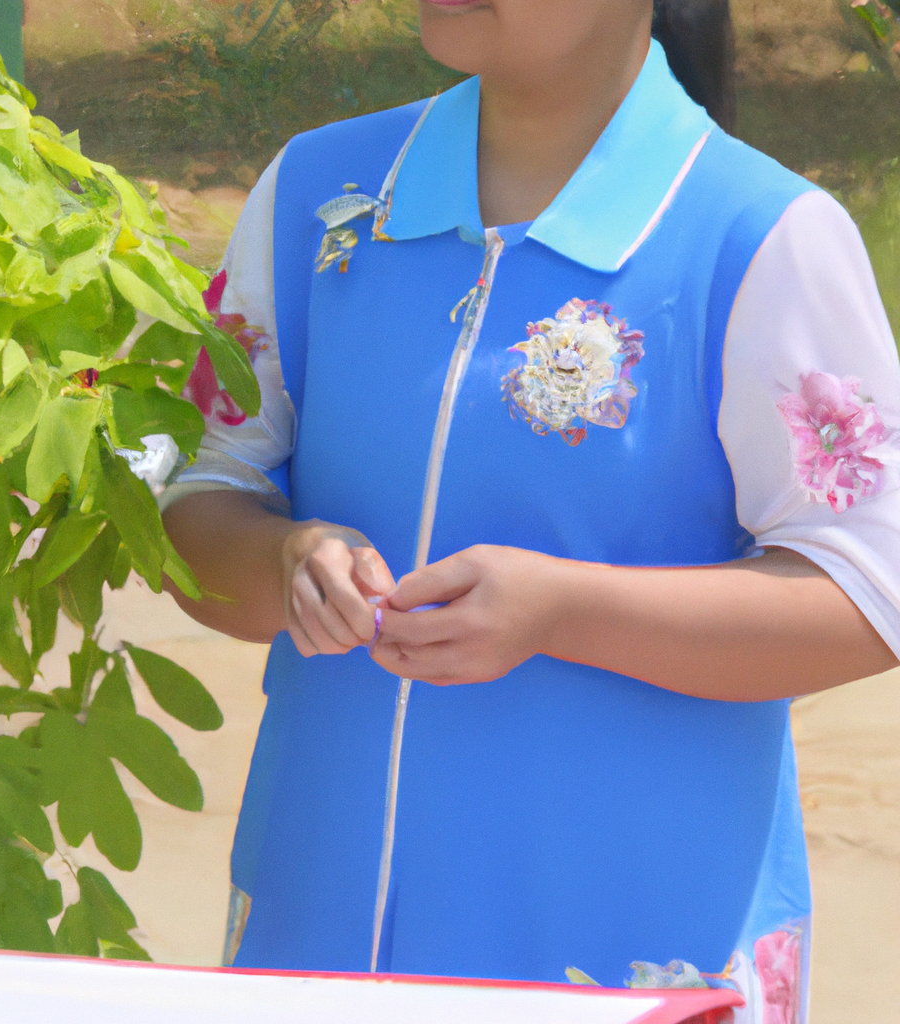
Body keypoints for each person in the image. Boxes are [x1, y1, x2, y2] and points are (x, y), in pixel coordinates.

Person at [157, 1, 900, 1018]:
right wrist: (285, 557)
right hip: (320, 938)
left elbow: (867, 595)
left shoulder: (758, 237)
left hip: (630, 951)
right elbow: (198, 501)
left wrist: (560, 610)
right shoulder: (316, 201)